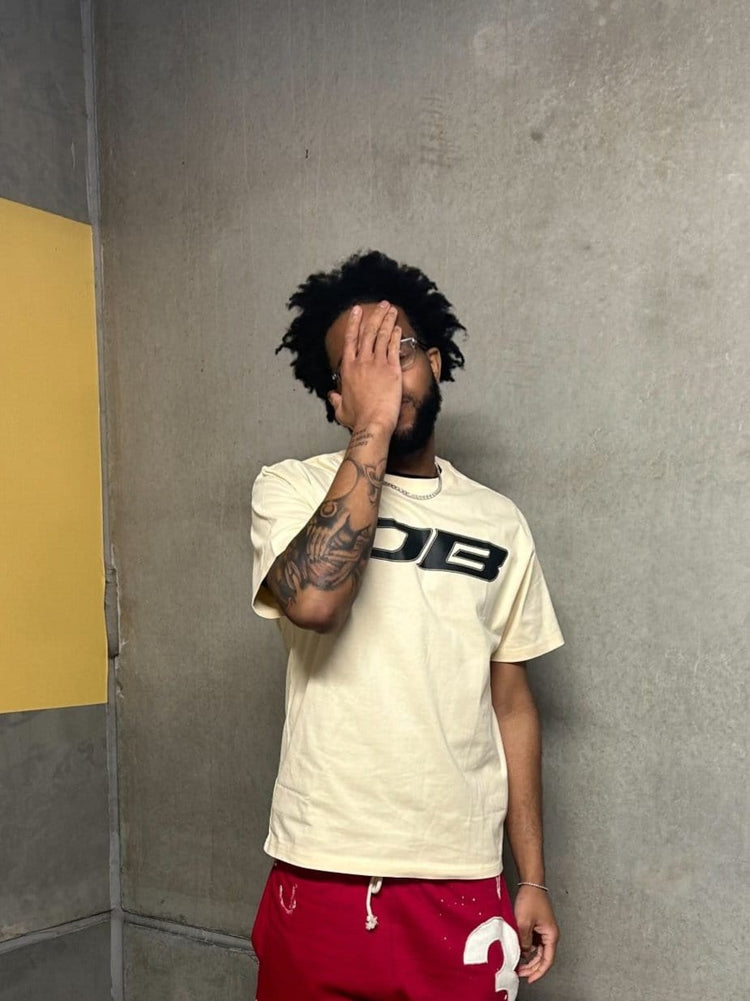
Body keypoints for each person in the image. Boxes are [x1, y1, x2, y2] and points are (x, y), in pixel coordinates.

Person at [250, 250, 564, 1001]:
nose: (387, 377)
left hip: (460, 878)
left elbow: (512, 703)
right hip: (320, 868)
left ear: (437, 362)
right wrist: (374, 423)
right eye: (360, 366)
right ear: (336, 397)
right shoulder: (288, 488)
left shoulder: (499, 521)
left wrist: (532, 878)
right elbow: (316, 601)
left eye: (399, 353)